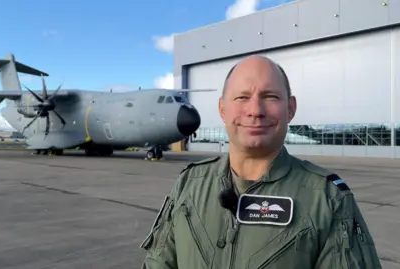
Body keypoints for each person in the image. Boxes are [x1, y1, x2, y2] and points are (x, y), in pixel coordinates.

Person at [139, 55, 382, 269]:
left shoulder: (327, 199)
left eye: (270, 96)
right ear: (222, 110)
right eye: (242, 97)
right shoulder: (189, 185)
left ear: (291, 109)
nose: (255, 110)